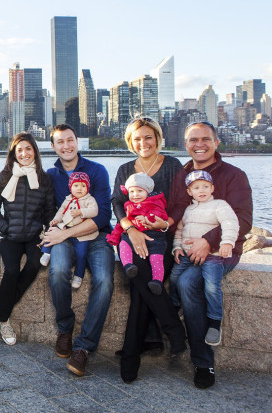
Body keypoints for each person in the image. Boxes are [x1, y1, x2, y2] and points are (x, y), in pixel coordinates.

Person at [167, 122, 251, 389]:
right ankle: (178, 327)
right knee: (179, 279)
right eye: (193, 139)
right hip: (188, 246)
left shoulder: (234, 175)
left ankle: (203, 361)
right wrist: (174, 244)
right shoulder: (182, 175)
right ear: (186, 144)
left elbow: (243, 220)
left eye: (205, 139)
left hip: (222, 250)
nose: (199, 144)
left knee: (188, 283)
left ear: (217, 143)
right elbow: (179, 214)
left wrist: (208, 241)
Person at [111, 117, 186, 384]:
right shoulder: (125, 169)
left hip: (162, 238)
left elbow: (181, 203)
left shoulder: (173, 166)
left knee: (140, 284)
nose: (143, 142)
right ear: (132, 142)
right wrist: (130, 229)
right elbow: (117, 203)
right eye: (137, 138)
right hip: (132, 236)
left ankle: (132, 351)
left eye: (148, 137)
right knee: (141, 276)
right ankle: (171, 328)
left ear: (157, 138)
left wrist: (166, 223)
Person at [41, 124, 113, 376]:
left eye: (70, 140)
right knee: (59, 270)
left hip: (97, 235)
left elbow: (104, 214)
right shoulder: (50, 176)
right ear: (53, 147)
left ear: (77, 142)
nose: (66, 146)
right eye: (60, 142)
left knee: (104, 280)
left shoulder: (97, 171)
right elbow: (47, 210)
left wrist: (66, 232)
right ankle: (65, 327)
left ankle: (83, 347)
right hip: (64, 237)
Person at [0, 133, 56, 346]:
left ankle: (1, 307)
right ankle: (4, 320)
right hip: (11, 236)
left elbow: (49, 211)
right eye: (19, 150)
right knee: (12, 271)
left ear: (35, 151)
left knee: (34, 265)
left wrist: (46, 231)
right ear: (13, 154)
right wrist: (6, 228)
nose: (24, 154)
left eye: (28, 149)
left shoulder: (44, 178)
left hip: (34, 236)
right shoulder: (5, 176)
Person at [171, 170, 239, 346]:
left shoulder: (219, 205)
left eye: (205, 186)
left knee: (211, 287)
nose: (201, 190)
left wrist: (227, 242)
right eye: (196, 187)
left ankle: (215, 322)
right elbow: (179, 231)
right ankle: (175, 306)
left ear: (212, 188)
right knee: (174, 277)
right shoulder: (188, 210)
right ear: (189, 191)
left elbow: (230, 223)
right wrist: (177, 247)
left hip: (212, 257)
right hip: (187, 254)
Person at [107, 172, 169, 294]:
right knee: (123, 243)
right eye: (132, 192)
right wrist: (115, 236)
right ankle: (128, 265)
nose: (135, 195)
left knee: (156, 258)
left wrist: (148, 218)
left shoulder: (155, 202)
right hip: (134, 234)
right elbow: (121, 224)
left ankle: (157, 281)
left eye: (139, 191)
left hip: (154, 236)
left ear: (147, 192)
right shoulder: (128, 206)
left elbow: (161, 215)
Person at [45, 171, 99, 289]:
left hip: (82, 234)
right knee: (50, 232)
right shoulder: (68, 200)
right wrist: (55, 220)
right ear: (70, 187)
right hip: (66, 227)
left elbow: (94, 211)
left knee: (81, 254)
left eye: (83, 186)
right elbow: (61, 212)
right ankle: (46, 252)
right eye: (76, 185)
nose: (79, 188)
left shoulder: (89, 199)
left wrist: (81, 212)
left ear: (87, 188)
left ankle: (78, 276)